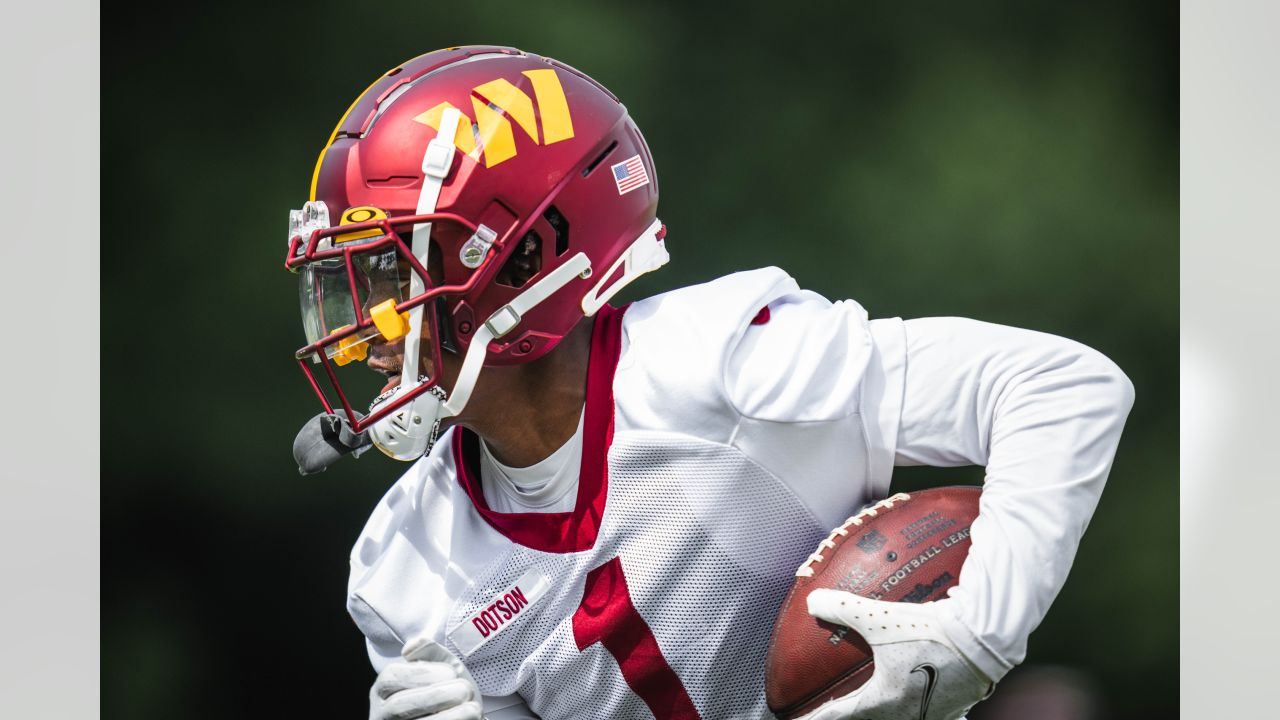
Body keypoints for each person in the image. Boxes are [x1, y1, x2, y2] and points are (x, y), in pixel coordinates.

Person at [285, 46, 1134, 720]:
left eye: (392, 277)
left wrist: (977, 633)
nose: (367, 328)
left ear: (524, 257)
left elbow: (1062, 387)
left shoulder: (716, 362)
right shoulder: (402, 574)